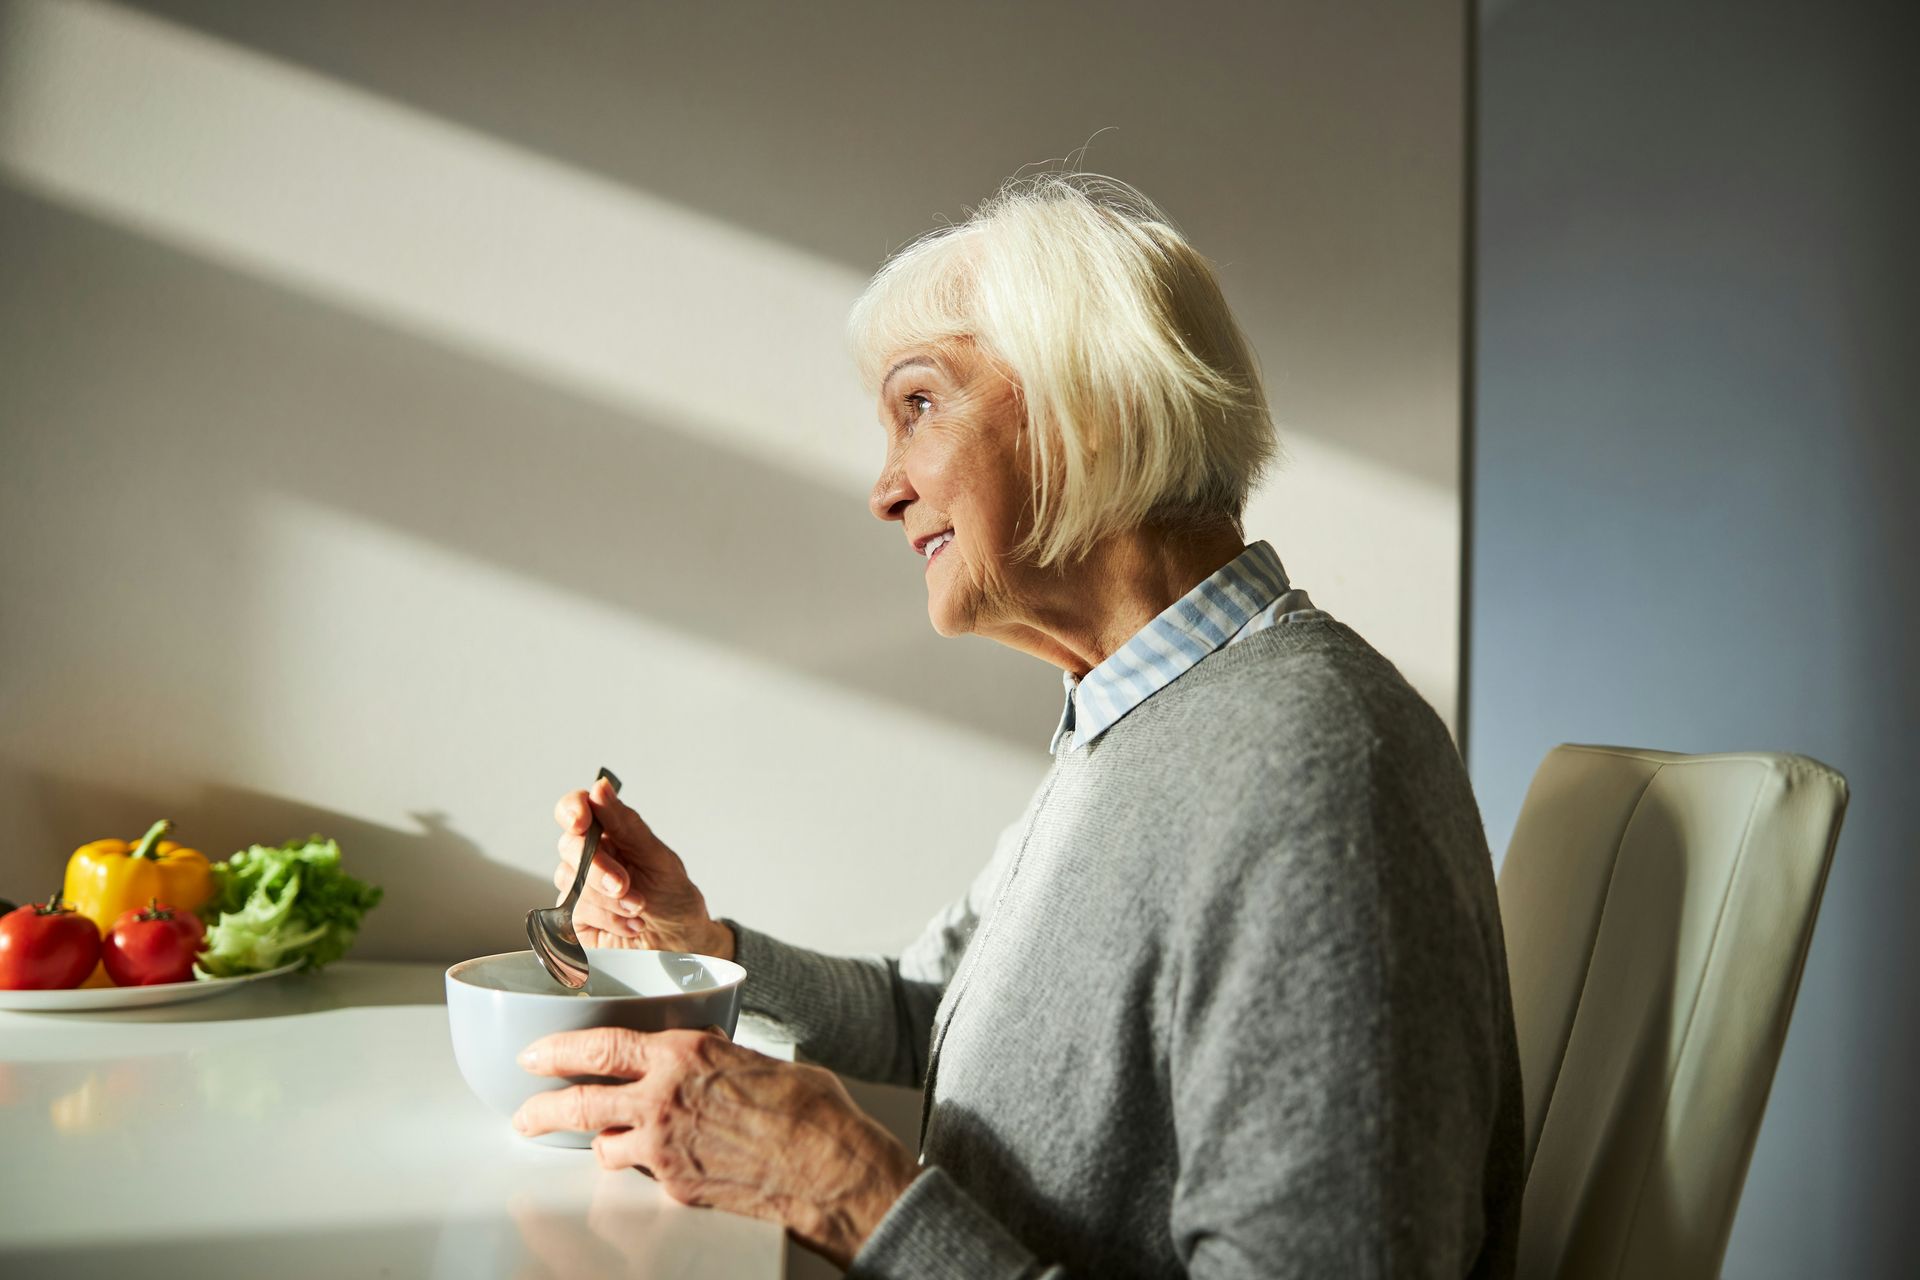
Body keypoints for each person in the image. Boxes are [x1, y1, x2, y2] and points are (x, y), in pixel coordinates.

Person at [509, 172, 1524, 1278]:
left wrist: (859, 1196)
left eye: (920, 405)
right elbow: (928, 1011)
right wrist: (696, 947)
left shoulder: (1312, 771)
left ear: (1090, 403)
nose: (884, 490)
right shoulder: (1137, 718)